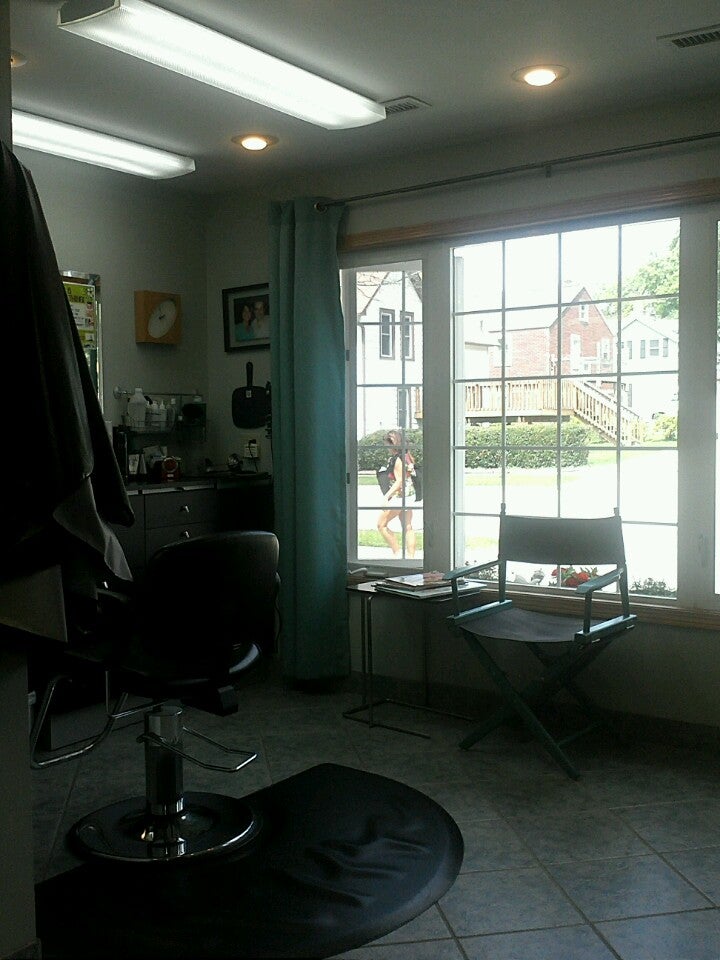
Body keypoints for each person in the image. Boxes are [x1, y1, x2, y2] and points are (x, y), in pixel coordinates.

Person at [377, 429, 419, 558]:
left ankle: (397, 553)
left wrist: (386, 497)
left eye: (387, 444)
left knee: (381, 525)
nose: (386, 448)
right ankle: (411, 557)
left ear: (392, 444)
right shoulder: (407, 456)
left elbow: (399, 480)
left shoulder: (397, 459)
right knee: (408, 526)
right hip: (409, 494)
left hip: (399, 497)